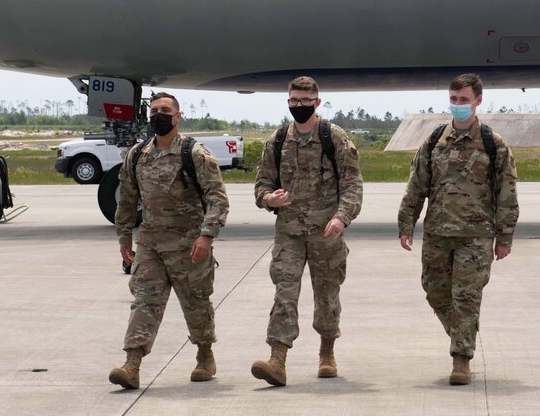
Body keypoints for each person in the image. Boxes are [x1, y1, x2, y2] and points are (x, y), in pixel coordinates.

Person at [398, 73, 519, 385]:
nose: (458, 105)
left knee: (465, 296)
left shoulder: (494, 145)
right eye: (453, 100)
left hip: (475, 236)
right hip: (438, 232)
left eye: (463, 100)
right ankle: (462, 334)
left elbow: (507, 192)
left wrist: (504, 236)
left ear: (478, 100)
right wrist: (406, 223)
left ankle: (460, 359)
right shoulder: (434, 141)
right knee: (435, 291)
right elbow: (417, 186)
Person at [109, 92, 230, 390]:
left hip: (189, 246)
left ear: (177, 117)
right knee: (144, 302)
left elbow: (218, 201)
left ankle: (205, 355)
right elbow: (127, 199)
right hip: (150, 245)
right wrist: (124, 236)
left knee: (196, 304)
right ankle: (132, 364)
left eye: (165, 110)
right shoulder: (137, 155)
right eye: (154, 111)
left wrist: (206, 236)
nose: (158, 116)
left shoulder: (195, 154)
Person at [251, 76, 363, 387]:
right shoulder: (276, 141)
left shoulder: (334, 137)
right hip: (288, 232)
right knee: (284, 294)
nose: (298, 106)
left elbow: (353, 184)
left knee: (327, 296)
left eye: (304, 101)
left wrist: (341, 218)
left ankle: (327, 353)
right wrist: (268, 198)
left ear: (316, 102)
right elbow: (262, 184)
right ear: (288, 102)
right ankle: (277, 359)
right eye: (293, 101)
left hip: (326, 232)